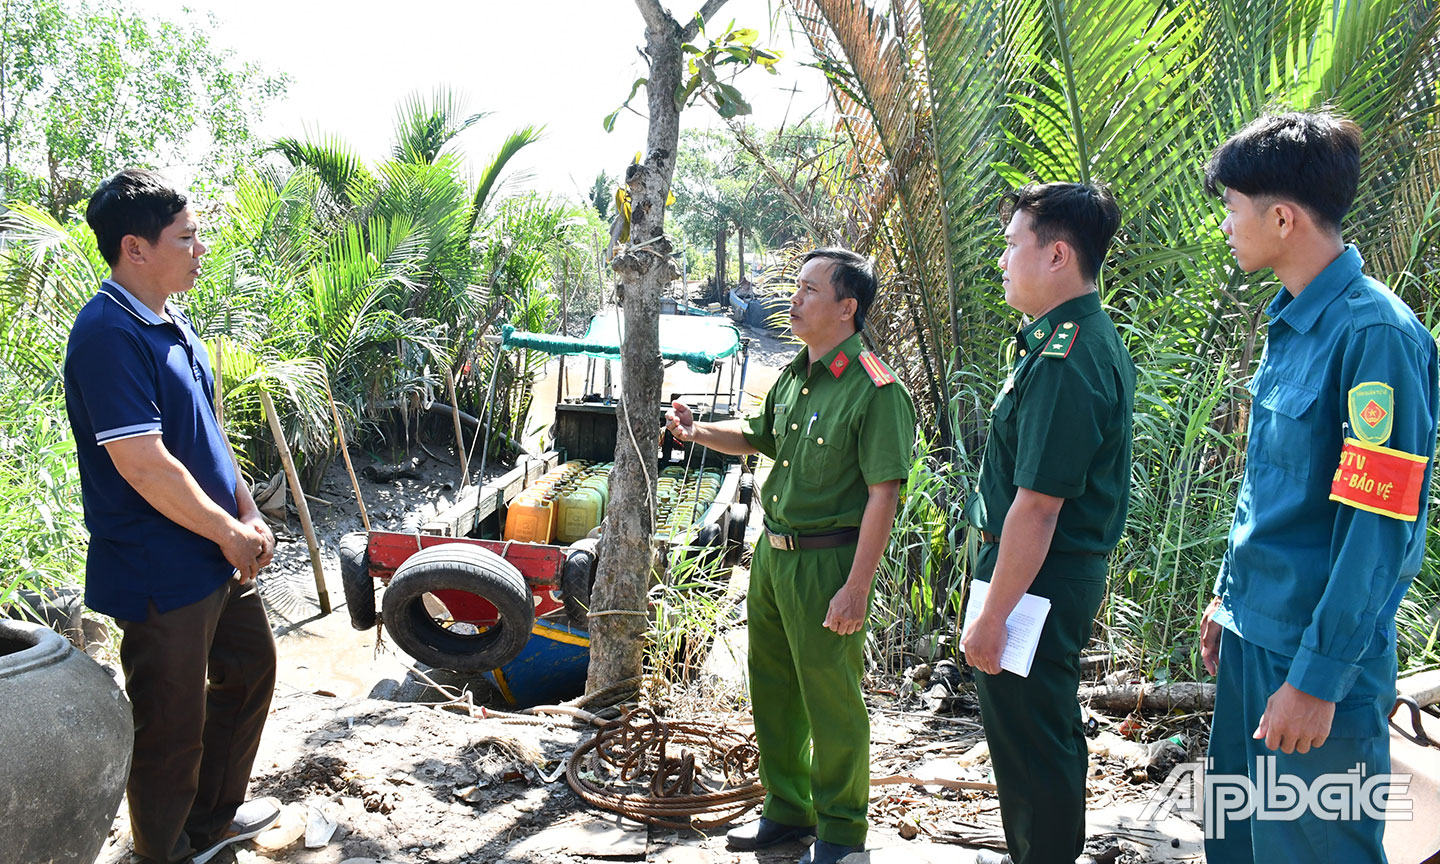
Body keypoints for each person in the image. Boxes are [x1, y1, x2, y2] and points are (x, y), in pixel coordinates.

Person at [1197, 111, 1438, 862]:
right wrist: (1226, 595)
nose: (1227, 226)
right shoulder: (1293, 324)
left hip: (1308, 661)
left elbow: (1378, 529)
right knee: (1235, 844)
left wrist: (1319, 679)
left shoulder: (1376, 338)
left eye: (1233, 209)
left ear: (1281, 216)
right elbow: (1272, 486)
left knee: (1313, 852)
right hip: (1250, 642)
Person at [665, 248, 916, 864]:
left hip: (828, 562)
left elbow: (885, 493)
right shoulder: (797, 374)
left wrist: (857, 586)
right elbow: (758, 437)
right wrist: (698, 432)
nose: (794, 298)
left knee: (830, 697)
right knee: (772, 688)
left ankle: (839, 829)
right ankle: (786, 811)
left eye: (808, 289)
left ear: (847, 307)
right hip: (773, 557)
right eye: (795, 287)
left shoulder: (875, 390)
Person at [64, 169, 281, 864]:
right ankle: (164, 851)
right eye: (186, 237)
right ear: (135, 248)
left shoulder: (171, 324)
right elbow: (144, 463)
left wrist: (246, 512)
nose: (201, 248)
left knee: (250, 670)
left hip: (216, 550)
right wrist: (227, 531)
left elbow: (206, 438)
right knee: (170, 725)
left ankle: (213, 820)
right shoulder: (106, 333)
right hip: (161, 565)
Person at [961, 182, 1133, 864]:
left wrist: (995, 614)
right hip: (1032, 570)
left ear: (1058, 254)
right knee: (1031, 736)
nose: (1002, 260)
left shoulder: (1067, 356)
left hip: (1038, 576)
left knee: (1036, 742)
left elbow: (1038, 507)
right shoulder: (1059, 342)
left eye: (1011, 246)